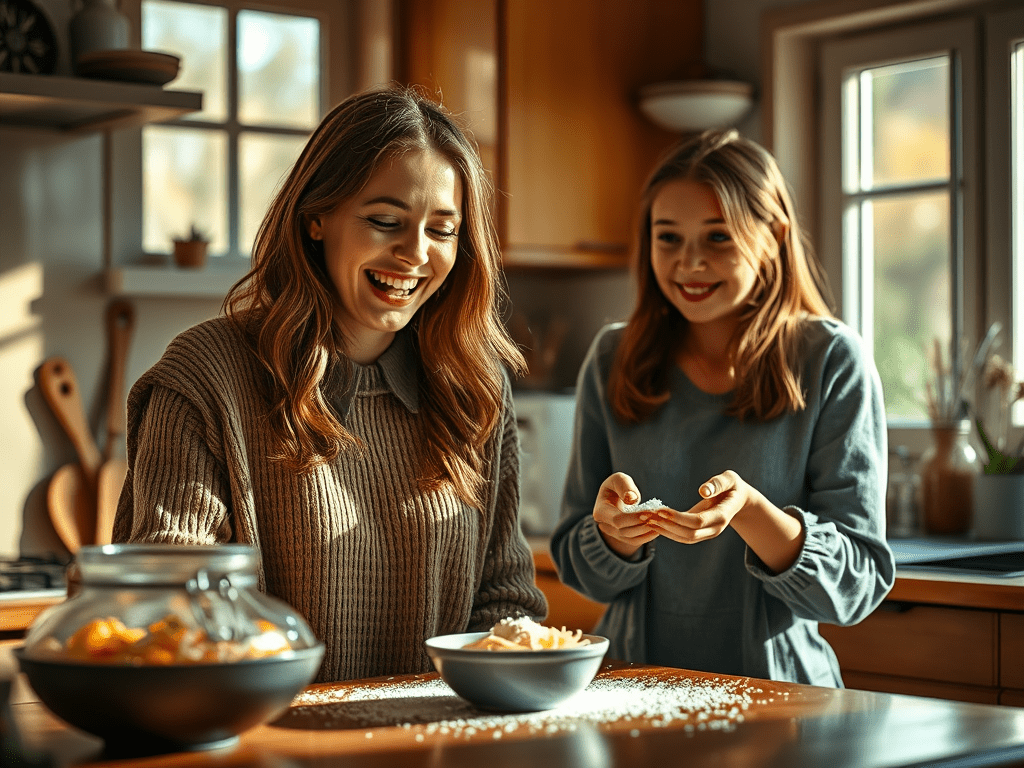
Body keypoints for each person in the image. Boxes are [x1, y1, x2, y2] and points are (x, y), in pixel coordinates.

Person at [112, 84, 547, 682]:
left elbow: (505, 603)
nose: (413, 253)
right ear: (317, 217)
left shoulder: (474, 386)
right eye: (385, 220)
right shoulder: (207, 376)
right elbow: (170, 607)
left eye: (442, 231)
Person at [550, 129, 894, 687]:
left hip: (784, 704)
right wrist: (614, 534)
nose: (689, 263)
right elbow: (578, 564)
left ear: (773, 238)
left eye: (718, 237)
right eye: (669, 238)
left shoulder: (832, 360)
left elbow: (855, 586)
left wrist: (752, 513)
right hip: (630, 692)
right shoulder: (612, 358)